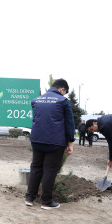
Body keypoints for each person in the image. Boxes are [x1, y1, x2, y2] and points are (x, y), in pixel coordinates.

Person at [25, 79, 75, 210]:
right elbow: (69, 123)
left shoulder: (36, 100)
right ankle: (46, 201)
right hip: (54, 141)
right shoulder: (63, 101)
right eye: (65, 93)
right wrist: (70, 143)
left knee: (36, 167)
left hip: (36, 139)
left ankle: (30, 198)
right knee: (50, 169)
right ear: (62, 90)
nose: (64, 95)